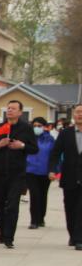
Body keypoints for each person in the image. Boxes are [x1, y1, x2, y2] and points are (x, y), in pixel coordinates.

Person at [0, 100, 39, 248]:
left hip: (17, 174)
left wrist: (21, 145)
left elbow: (34, 149)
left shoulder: (26, 128)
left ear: (20, 112)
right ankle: (3, 232)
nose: (10, 110)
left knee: (12, 205)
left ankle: (9, 237)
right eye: (8, 108)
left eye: (13, 108)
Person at [48, 104, 82, 250]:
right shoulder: (65, 133)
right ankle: (73, 234)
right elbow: (55, 153)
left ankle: (79, 238)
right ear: (73, 115)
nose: (80, 114)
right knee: (70, 207)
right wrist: (52, 170)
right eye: (78, 112)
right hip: (69, 176)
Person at [26, 117, 56, 229]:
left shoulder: (50, 139)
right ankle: (33, 220)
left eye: (39, 126)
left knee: (43, 195)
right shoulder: (28, 138)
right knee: (34, 195)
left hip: (45, 171)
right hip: (30, 170)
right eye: (34, 126)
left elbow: (54, 155)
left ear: (44, 127)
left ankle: (41, 218)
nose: (36, 128)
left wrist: (53, 170)